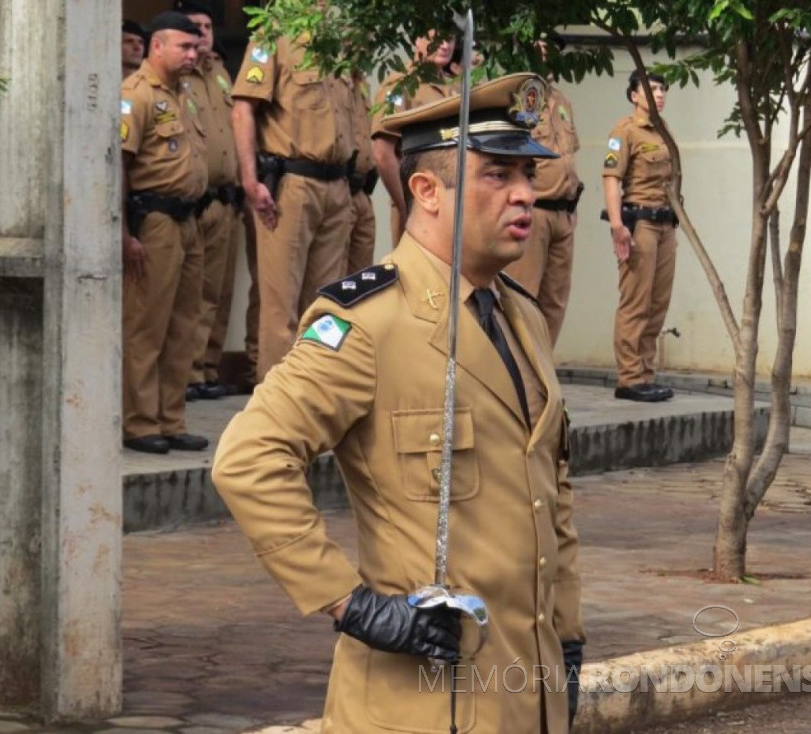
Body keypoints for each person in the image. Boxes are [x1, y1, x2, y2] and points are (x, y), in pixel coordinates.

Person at [213, 73, 584, 734]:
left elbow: (550, 491)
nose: (527, 193)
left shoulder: (522, 318)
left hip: (527, 694)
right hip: (421, 704)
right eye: (499, 175)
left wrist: (570, 638)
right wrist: (351, 605)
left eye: (528, 174)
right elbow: (247, 458)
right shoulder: (366, 322)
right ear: (426, 191)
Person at [231, 21, 355, 382]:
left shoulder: (341, 41)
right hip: (292, 185)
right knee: (280, 307)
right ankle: (277, 409)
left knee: (327, 306)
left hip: (336, 184)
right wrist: (250, 179)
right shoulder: (273, 36)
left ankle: (316, 393)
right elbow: (242, 109)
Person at [120, 12, 209, 454]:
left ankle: (171, 419)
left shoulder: (185, 94)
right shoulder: (135, 96)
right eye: (184, 47)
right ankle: (139, 423)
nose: (193, 54)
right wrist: (123, 233)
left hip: (189, 220)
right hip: (152, 220)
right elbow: (117, 166)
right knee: (146, 325)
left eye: (195, 48)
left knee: (183, 324)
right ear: (157, 47)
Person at [174, 0, 243, 401]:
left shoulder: (219, 73)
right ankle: (189, 372)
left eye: (207, 27)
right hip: (194, 201)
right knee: (193, 295)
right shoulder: (178, 78)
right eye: (195, 28)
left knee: (219, 293)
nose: (202, 35)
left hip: (226, 200)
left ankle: (209, 369)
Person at [602, 70, 678, 403]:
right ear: (634, 95)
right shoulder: (624, 132)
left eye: (662, 89)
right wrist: (617, 225)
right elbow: (610, 177)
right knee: (636, 301)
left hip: (665, 224)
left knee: (657, 303)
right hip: (641, 223)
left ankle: (646, 375)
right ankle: (630, 377)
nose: (659, 94)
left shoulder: (664, 132)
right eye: (651, 89)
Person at [504, 48, 583, 347]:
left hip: (563, 212)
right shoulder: (521, 98)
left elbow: (568, 156)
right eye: (539, 47)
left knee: (556, 299)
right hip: (533, 210)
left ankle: (542, 371)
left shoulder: (562, 101)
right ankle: (519, 372)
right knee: (523, 295)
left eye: (553, 48)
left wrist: (574, 203)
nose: (548, 53)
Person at [371, 31, 456, 243]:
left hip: (452, 202)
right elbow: (383, 152)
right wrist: (406, 204)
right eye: (436, 38)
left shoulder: (455, 87)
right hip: (419, 199)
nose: (445, 45)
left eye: (450, 38)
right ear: (417, 39)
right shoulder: (401, 84)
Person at [345, 69, 377, 273]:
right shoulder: (334, 76)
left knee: (362, 277)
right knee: (331, 276)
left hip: (363, 190)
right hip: (341, 187)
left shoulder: (362, 83)